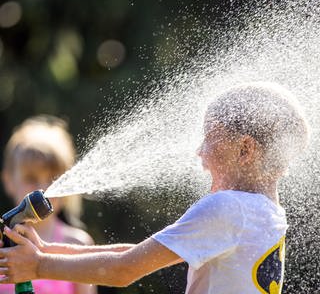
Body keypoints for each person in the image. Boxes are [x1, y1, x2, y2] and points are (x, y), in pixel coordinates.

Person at [0, 83, 309, 293]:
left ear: (245, 151)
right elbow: (137, 254)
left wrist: (39, 266)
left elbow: (125, 269)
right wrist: (46, 250)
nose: (199, 152)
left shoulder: (229, 209)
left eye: (209, 140)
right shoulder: (265, 213)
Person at [0, 115, 97, 294]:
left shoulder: (77, 245)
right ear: (8, 181)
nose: (43, 189)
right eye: (31, 178)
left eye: (53, 178)